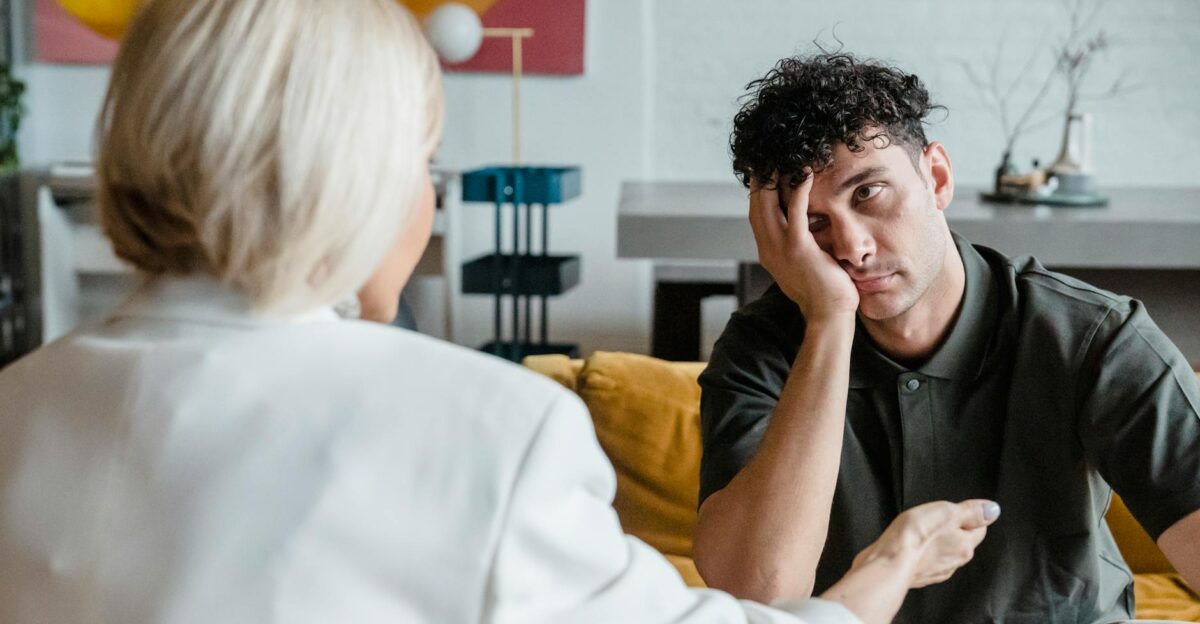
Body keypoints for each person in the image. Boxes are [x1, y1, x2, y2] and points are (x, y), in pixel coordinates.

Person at [0, 4, 994, 622]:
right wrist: (893, 565)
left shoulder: (20, 404)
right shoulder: (487, 429)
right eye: (423, 162)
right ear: (357, 178)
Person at [693, 51, 1200, 623]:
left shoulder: (1093, 336)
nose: (852, 248)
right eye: (815, 222)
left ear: (936, 177)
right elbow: (758, 593)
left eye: (867, 194)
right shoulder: (762, 348)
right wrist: (828, 323)